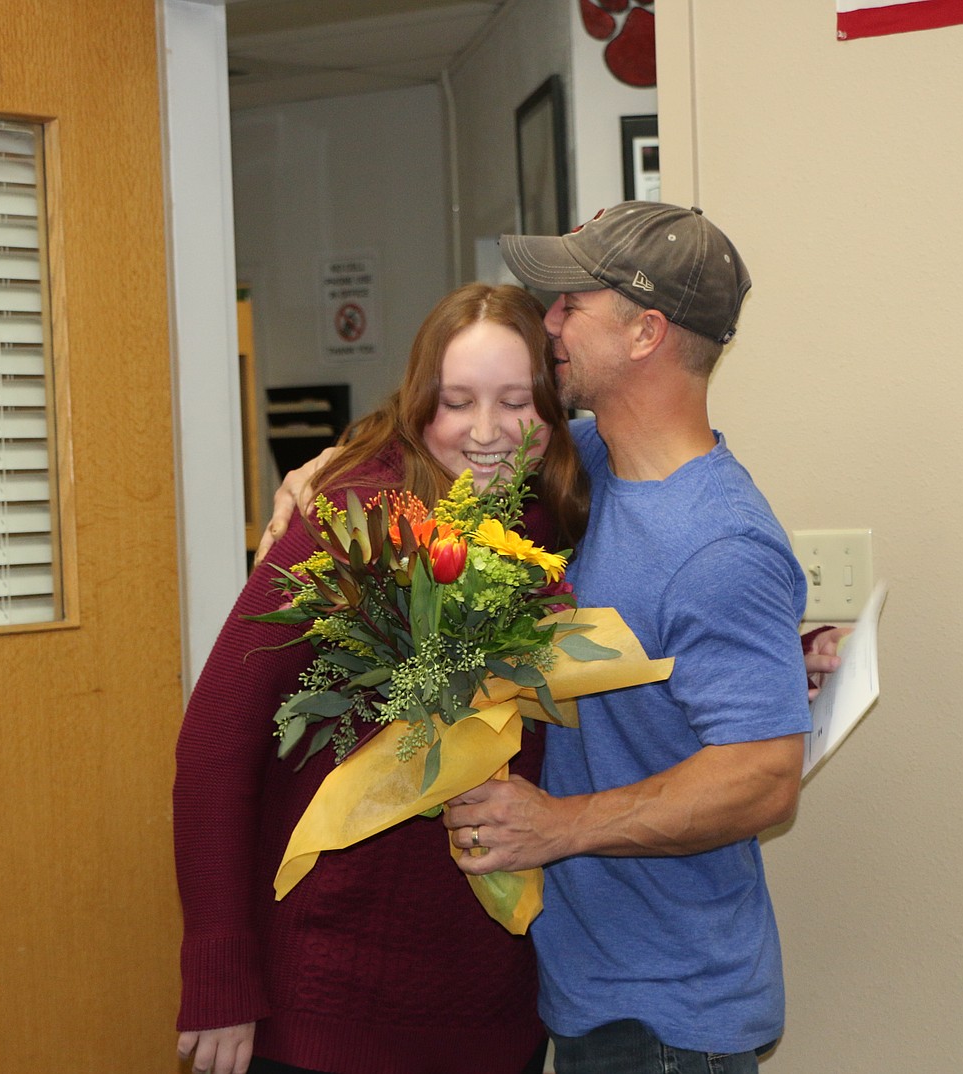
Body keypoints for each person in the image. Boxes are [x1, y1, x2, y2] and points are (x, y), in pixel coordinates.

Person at [435, 202, 815, 1074]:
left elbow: (763, 780)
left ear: (646, 331)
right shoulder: (585, 462)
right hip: (588, 995)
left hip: (670, 1024)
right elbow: (439, 446)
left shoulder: (719, 545)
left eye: (573, 301)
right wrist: (316, 477)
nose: (550, 320)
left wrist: (558, 826)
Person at [174, 283, 588, 1074]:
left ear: (552, 407)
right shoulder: (351, 523)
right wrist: (219, 975)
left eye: (515, 401)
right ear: (419, 404)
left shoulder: (554, 520)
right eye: (457, 401)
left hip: (493, 1009)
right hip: (330, 1008)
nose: (488, 431)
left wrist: (791, 646)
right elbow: (213, 751)